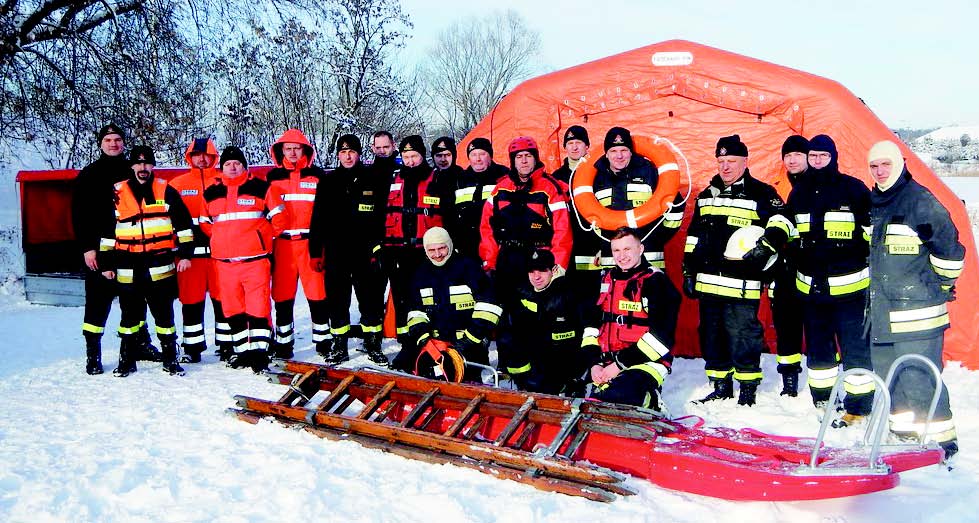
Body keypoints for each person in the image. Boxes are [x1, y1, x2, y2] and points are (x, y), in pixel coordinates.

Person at [867, 140, 964, 459]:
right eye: (874, 166)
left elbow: (950, 252)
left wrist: (938, 285)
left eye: (886, 164)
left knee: (919, 381)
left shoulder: (920, 202)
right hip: (883, 313)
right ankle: (905, 436)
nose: (880, 171)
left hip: (918, 314)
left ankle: (943, 447)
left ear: (900, 163)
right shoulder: (876, 201)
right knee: (891, 380)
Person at [682, 135, 792, 406]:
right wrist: (688, 270)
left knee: (745, 338)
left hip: (742, 286)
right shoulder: (706, 196)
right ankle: (721, 386)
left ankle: (747, 389)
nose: (725, 167)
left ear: (745, 161)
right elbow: (694, 235)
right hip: (708, 285)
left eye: (731, 161)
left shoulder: (762, 193)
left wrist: (766, 248)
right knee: (711, 337)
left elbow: (784, 222)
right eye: (721, 162)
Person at [783, 134, 874, 424]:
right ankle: (823, 400)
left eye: (823, 156)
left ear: (833, 157)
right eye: (813, 156)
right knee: (819, 348)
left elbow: (871, 234)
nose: (817, 161)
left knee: (854, 349)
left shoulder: (854, 189)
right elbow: (791, 231)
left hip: (850, 290)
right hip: (812, 289)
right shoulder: (798, 193)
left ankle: (859, 406)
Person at [98, 145, 195, 377]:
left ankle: (170, 359)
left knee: (164, 315)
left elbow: (183, 224)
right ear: (131, 166)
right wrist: (106, 264)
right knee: (129, 316)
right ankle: (126, 361)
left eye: (147, 163)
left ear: (152, 166)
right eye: (138, 163)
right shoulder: (116, 192)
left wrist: (186, 254)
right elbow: (107, 232)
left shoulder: (166, 190)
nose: (143, 168)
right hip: (127, 265)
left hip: (160, 264)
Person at [567, 127, 686, 307]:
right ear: (606, 154)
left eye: (624, 150)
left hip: (648, 259)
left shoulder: (649, 172)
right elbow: (584, 220)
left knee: (650, 312)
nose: (619, 156)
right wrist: (599, 245)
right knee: (612, 314)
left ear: (631, 151)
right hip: (609, 262)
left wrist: (653, 239)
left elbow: (674, 211)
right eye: (613, 151)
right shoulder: (594, 179)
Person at [72, 123, 157, 374]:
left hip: (131, 249)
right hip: (100, 249)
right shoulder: (89, 174)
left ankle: (139, 345)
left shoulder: (132, 171)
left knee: (135, 300)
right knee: (98, 303)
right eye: (108, 139)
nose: (113, 143)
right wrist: (88, 248)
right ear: (101, 143)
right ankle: (93, 355)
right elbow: (79, 215)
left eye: (118, 139)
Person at [199, 146, 287, 372]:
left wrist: (260, 238)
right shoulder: (211, 192)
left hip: (255, 261)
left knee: (258, 307)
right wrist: (222, 240)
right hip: (225, 263)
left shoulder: (262, 188)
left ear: (244, 166)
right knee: (232, 308)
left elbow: (280, 219)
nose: (232, 167)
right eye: (228, 164)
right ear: (222, 168)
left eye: (237, 163)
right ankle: (242, 351)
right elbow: (204, 223)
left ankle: (260, 352)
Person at [309, 134, 389, 366]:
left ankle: (373, 343)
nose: (347, 156)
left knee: (370, 300)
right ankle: (339, 345)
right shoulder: (328, 181)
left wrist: (378, 247)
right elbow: (318, 220)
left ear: (359, 154)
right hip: (336, 253)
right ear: (338, 155)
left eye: (351, 151)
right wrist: (315, 252)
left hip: (365, 252)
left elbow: (381, 216)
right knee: (337, 301)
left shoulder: (371, 178)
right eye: (343, 152)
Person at [580, 228, 680, 408]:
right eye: (616, 250)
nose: (622, 256)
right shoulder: (604, 280)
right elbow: (590, 328)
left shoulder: (656, 282)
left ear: (640, 249)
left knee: (620, 394)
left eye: (627, 249)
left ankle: (653, 402)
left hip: (647, 362)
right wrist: (594, 364)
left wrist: (619, 365)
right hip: (607, 362)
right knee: (590, 398)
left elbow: (662, 338)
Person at [395, 227, 501, 380]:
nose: (437, 255)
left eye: (442, 248)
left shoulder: (469, 268)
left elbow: (489, 307)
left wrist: (468, 340)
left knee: (464, 387)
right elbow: (415, 311)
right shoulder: (420, 274)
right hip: (434, 345)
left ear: (450, 245)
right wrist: (424, 338)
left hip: (470, 344)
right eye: (432, 250)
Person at [479, 136, 572, 308]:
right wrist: (489, 263)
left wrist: (557, 267)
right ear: (512, 160)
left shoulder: (550, 188)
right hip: (506, 259)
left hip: (537, 261)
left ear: (535, 158)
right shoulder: (500, 189)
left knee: (535, 313)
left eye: (528, 156)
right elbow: (487, 228)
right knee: (505, 310)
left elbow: (563, 230)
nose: (523, 161)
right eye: (518, 156)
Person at [381, 135, 455, 345]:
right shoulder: (393, 180)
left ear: (422, 156)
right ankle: (407, 341)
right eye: (406, 157)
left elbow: (448, 216)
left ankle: (434, 338)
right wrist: (383, 249)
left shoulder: (437, 179)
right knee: (402, 297)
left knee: (430, 296)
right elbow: (382, 215)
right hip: (398, 251)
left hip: (428, 252)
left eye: (414, 156)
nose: (410, 161)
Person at [266, 129, 329, 359]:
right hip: (282, 245)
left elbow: (324, 213)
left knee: (317, 294)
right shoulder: (272, 177)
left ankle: (323, 342)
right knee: (282, 296)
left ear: (305, 150)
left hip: (310, 244)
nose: (292, 153)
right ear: (281, 150)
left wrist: (321, 247)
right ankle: (284, 344)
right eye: (288, 148)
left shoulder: (318, 176)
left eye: (297, 148)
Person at [169, 138, 229, 363]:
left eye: (207, 155)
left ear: (214, 157)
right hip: (189, 255)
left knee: (223, 300)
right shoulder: (177, 184)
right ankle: (192, 347)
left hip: (219, 254)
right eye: (197, 155)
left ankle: (227, 344)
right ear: (189, 157)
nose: (202, 159)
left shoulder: (224, 180)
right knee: (191, 301)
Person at [499, 248, 590, 394]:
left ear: (553, 270)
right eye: (531, 271)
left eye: (542, 270)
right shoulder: (522, 293)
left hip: (563, 368)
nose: (536, 277)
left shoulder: (569, 294)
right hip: (531, 369)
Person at [766, 135, 810, 396]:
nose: (792, 160)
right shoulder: (774, 189)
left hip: (812, 266)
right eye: (787, 155)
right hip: (783, 268)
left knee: (817, 326)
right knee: (786, 326)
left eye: (797, 154)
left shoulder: (819, 186)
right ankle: (789, 380)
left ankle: (821, 379)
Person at [452, 138, 510, 259]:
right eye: (473, 155)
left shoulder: (504, 175)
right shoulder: (461, 179)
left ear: (490, 156)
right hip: (468, 245)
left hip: (497, 242)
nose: (477, 159)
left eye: (482, 154)